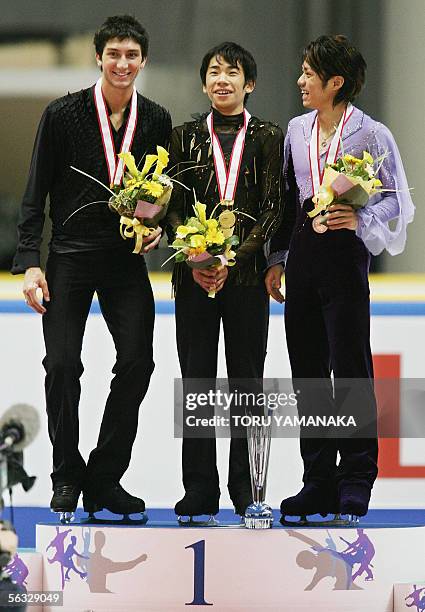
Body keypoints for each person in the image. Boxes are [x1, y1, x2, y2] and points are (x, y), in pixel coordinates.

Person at [11, 15, 172, 519]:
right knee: (62, 365)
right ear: (98, 58)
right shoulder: (62, 114)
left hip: (126, 261)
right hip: (71, 255)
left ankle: (103, 476)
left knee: (138, 364)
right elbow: (35, 193)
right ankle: (66, 474)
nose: (122, 64)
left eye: (132, 56)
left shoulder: (157, 119)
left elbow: (164, 195)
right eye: (114, 54)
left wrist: (158, 227)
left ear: (142, 61)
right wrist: (30, 265)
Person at [265, 35, 414, 522]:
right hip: (305, 256)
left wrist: (362, 220)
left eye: (309, 73)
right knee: (308, 372)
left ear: (336, 82)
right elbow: (289, 201)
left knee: (350, 368)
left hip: (345, 258)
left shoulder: (371, 133)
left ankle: (356, 478)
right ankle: (317, 481)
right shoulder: (295, 130)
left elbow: (395, 199)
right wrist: (278, 257)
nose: (300, 81)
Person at [165, 42, 284, 520]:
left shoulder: (269, 136)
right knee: (196, 381)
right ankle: (198, 490)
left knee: (247, 383)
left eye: (232, 73)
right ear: (203, 83)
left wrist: (234, 256)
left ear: (248, 83)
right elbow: (170, 205)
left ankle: (249, 487)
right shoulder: (183, 136)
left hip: (247, 279)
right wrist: (195, 252)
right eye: (213, 72)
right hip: (192, 275)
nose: (222, 80)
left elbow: (276, 207)